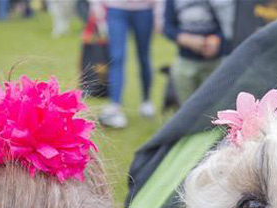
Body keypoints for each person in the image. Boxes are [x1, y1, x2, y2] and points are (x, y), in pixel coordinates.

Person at [90, 0, 160, 129]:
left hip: (144, 9)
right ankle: (115, 105)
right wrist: (96, 6)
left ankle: (146, 100)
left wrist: (159, 13)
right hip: (116, 8)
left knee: (144, 56)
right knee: (116, 57)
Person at [164, 0, 230, 104]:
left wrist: (216, 40)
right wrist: (186, 39)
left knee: (215, 105)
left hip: (214, 63)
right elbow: (168, 27)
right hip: (186, 61)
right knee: (187, 106)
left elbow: (227, 24)